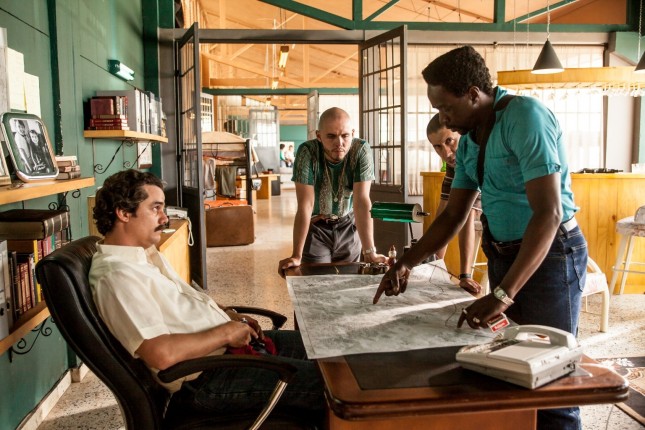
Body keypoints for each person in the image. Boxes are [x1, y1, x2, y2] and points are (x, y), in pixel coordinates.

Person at [373, 46, 587, 430]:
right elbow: (453, 215)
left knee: (551, 377)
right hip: (505, 254)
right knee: (512, 366)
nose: (443, 119)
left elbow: (549, 213)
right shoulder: (471, 139)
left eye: (446, 108)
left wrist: (503, 294)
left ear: (473, 94)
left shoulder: (526, 118)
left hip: (550, 256)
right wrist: (407, 261)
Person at [89, 169, 325, 422]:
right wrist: (225, 333)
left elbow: (182, 302)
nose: (165, 218)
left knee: (325, 349)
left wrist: (226, 315)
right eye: (155, 208)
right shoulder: (118, 276)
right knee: (336, 386)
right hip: (208, 378)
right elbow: (161, 354)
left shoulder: (142, 255)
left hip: (223, 353)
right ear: (124, 213)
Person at [278, 107, 386, 274]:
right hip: (317, 228)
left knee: (348, 281)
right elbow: (305, 205)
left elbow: (361, 201)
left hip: (348, 225)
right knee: (317, 281)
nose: (339, 143)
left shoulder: (361, 150)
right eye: (331, 136)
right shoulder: (307, 152)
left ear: (352, 133)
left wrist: (370, 252)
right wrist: (296, 255)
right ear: (319, 136)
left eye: (345, 135)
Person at [426, 113, 482, 293]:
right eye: (438, 147)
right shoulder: (453, 164)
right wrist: (433, 265)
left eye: (449, 141)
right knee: (446, 212)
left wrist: (464, 276)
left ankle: (466, 274)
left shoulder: (475, 151)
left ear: (460, 132)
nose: (446, 153)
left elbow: (463, 213)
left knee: (465, 211)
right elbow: (444, 212)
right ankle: (434, 266)